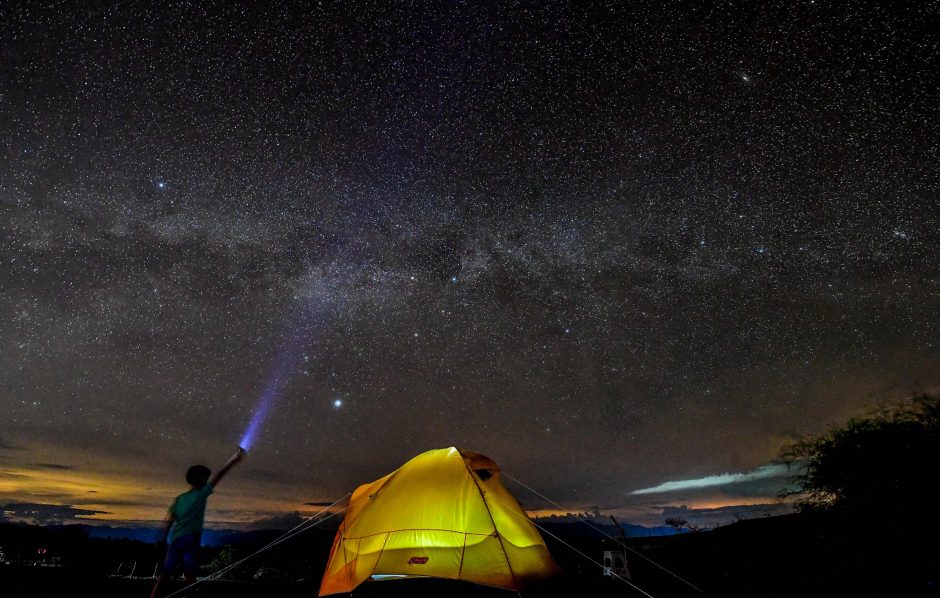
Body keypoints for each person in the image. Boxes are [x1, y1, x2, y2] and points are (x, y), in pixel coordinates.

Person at [150, 447, 245, 598]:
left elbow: (168, 521)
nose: (206, 481)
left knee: (164, 576)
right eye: (204, 479)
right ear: (200, 480)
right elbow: (218, 476)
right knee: (190, 577)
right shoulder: (201, 494)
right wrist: (233, 459)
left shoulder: (179, 499)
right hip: (191, 540)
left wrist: (162, 537)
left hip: (175, 541)